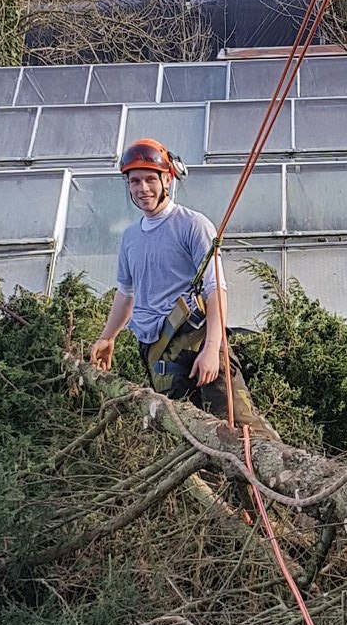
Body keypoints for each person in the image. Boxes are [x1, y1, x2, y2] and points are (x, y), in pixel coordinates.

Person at [90, 137, 268, 429]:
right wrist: (108, 337)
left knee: (238, 427)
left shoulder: (193, 225)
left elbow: (215, 288)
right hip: (159, 354)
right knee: (186, 434)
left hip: (198, 342)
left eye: (150, 179)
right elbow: (126, 293)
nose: (142, 188)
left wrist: (212, 349)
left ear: (168, 180)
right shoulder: (130, 237)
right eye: (135, 181)